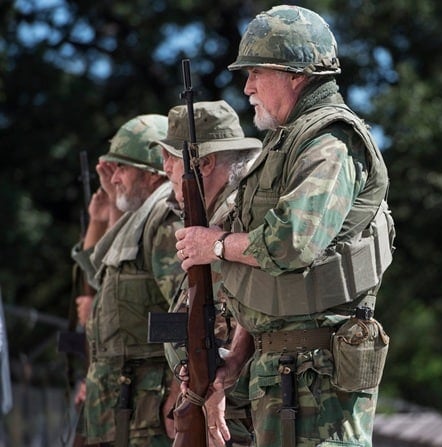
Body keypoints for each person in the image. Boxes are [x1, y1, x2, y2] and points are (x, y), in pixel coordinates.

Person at [174, 5, 395, 447]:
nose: (248, 86)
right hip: (283, 369)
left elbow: (293, 242)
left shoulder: (330, 141)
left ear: (296, 74)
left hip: (319, 378)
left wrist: (213, 245)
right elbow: (264, 283)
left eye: (257, 72)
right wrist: (236, 357)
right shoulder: (286, 141)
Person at [72, 114, 184, 446]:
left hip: (148, 409)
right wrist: (107, 209)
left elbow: (186, 313)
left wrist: (179, 393)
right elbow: (107, 281)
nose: (114, 177)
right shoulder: (139, 218)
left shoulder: (164, 220)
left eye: (123, 168)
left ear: (154, 175)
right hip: (122, 407)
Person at [154, 99, 261, 446]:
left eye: (171, 158)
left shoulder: (233, 223)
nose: (165, 168)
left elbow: (237, 312)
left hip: (231, 409)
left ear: (205, 163)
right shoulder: (217, 223)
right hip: (216, 400)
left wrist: (212, 387)